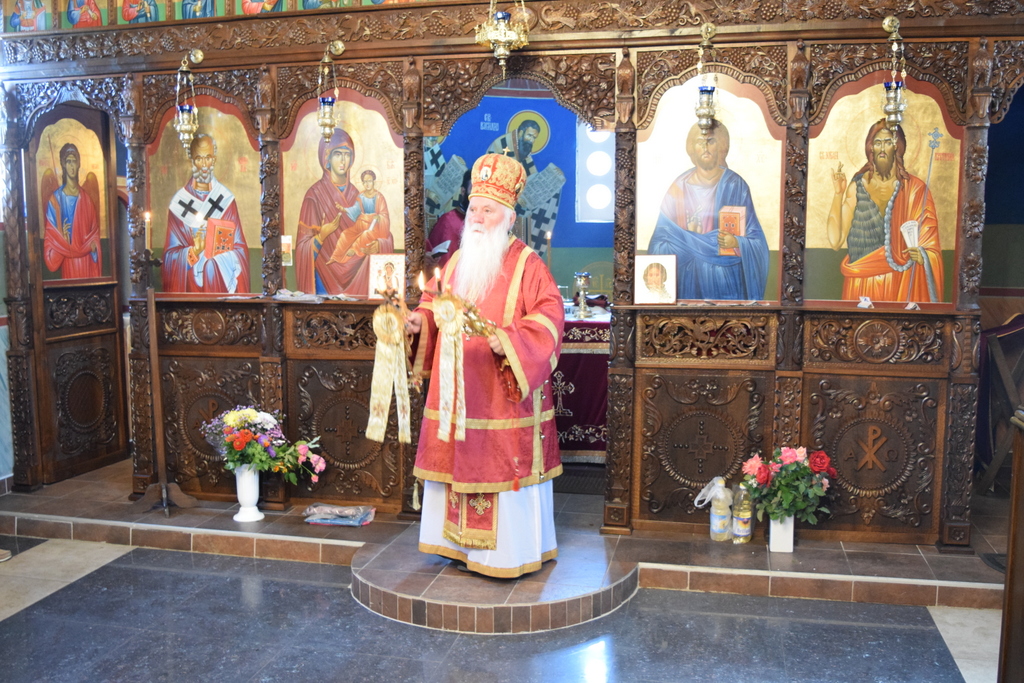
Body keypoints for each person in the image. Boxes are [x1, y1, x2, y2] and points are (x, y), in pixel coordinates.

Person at [405, 153, 564, 578]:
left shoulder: (528, 265)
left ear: (508, 217)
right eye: (474, 208)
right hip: (456, 394)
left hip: (500, 397)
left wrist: (510, 341)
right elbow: (434, 303)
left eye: (488, 210)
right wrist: (419, 322)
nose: (476, 217)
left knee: (495, 462)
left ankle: (504, 554)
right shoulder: (457, 261)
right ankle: (456, 547)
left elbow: (550, 318)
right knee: (455, 461)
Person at [648, 120, 769, 300]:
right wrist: (690, 238)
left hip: (725, 279)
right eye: (700, 142)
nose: (705, 148)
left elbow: (757, 242)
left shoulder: (735, 185)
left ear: (721, 147)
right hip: (688, 278)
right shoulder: (678, 187)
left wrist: (736, 242)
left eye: (711, 141)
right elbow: (659, 243)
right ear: (691, 148)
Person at [827, 120, 943, 303]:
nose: (882, 149)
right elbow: (835, 241)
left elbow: (929, 240)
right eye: (877, 143)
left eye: (888, 142)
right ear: (870, 148)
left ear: (897, 147)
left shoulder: (915, 189)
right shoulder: (857, 186)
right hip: (860, 282)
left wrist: (923, 256)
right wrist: (838, 194)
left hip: (899, 282)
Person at [296, 128, 394, 296]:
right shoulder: (314, 196)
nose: (343, 160)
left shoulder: (358, 194)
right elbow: (302, 248)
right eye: (337, 154)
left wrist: (379, 244)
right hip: (324, 277)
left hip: (359, 274)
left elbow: (381, 230)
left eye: (347, 154)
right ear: (326, 158)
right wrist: (322, 236)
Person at [163, 134, 250, 294]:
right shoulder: (179, 203)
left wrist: (220, 257)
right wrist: (194, 251)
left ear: (214, 160)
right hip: (191, 285)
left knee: (211, 265)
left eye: (208, 158)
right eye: (199, 158)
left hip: (219, 278)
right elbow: (170, 256)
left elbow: (240, 248)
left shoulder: (226, 199)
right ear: (191, 161)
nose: (204, 165)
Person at [44, 143, 102, 279]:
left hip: (86, 263)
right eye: (68, 161)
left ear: (79, 164)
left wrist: (93, 247)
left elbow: (94, 235)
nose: (71, 166)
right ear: (63, 165)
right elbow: (51, 242)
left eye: (74, 161)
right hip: (68, 263)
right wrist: (63, 240)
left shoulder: (87, 200)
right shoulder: (55, 200)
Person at [425, 169, 471, 269]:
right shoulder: (449, 222)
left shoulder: (489, 222)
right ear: (463, 191)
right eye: (473, 190)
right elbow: (443, 266)